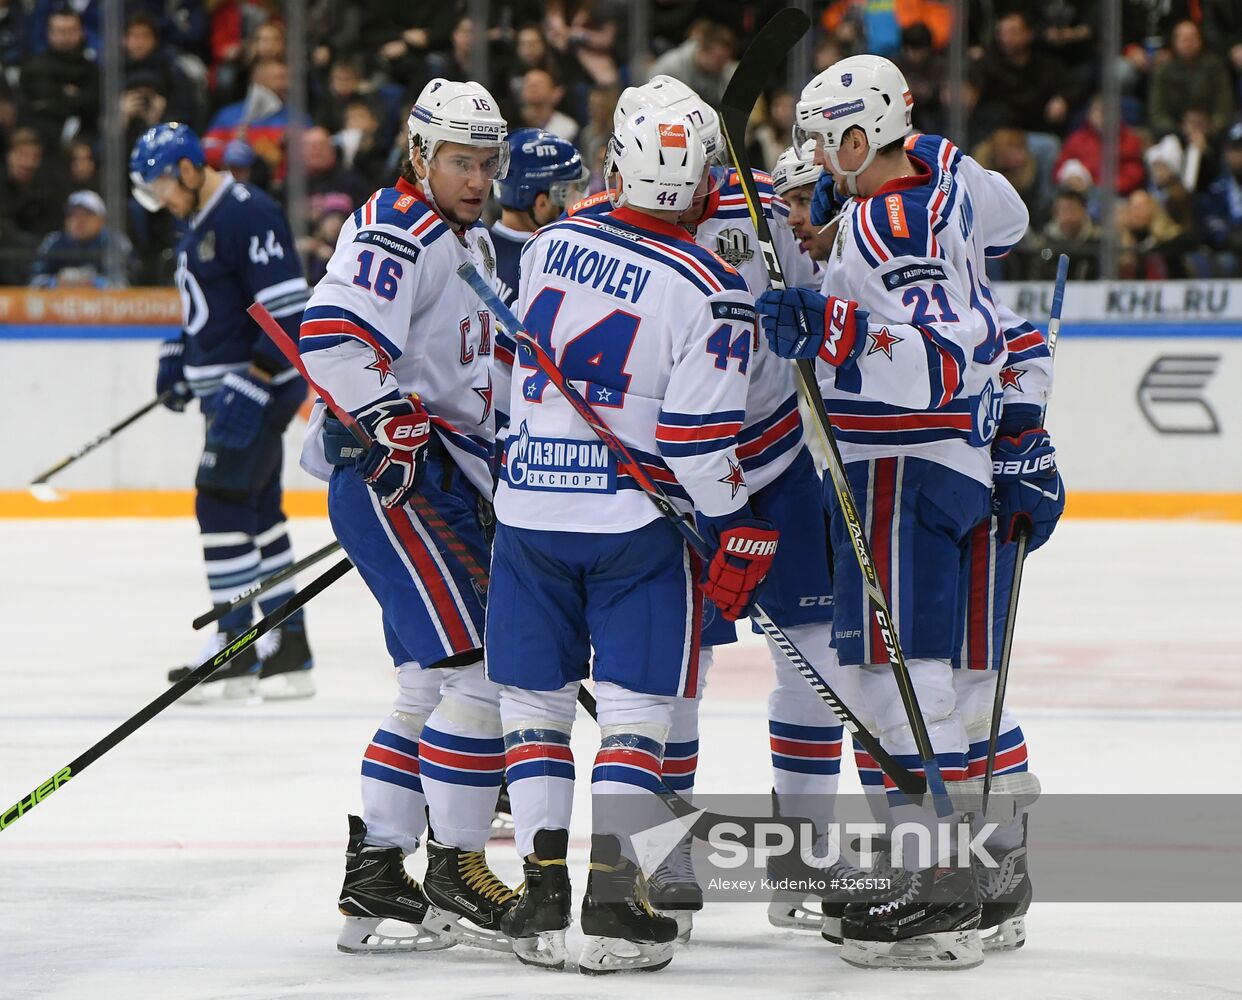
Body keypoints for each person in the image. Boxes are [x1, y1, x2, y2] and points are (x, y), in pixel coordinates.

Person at [759, 54, 1062, 970]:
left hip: (901, 463)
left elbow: (939, 355)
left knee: (907, 681)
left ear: (858, 140)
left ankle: (938, 888)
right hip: (958, 466)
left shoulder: (890, 218)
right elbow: (1007, 255)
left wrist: (835, 327)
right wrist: (1024, 425)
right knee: (962, 686)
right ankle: (990, 873)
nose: (813, 180)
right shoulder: (943, 196)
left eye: (822, 150)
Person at [564, 75, 857, 944]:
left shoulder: (766, 201)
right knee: (669, 678)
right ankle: (664, 858)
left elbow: (820, 303)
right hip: (666, 484)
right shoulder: (597, 219)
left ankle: (802, 857)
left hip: (769, 463)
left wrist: (812, 243)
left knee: (816, 667)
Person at [489, 108, 773, 975]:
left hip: (530, 512)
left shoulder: (546, 244)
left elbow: (505, 379)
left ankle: (541, 897)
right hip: (633, 527)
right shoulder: (709, 285)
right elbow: (694, 440)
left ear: (617, 161)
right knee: (634, 716)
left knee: (535, 710)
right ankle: (613, 900)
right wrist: (736, 526)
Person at [296, 78, 516, 955]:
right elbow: (333, 335)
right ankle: (457, 869)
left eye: (487, 163)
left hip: (436, 479)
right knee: (477, 670)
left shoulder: (467, 238)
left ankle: (378, 873)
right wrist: (388, 414)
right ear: (420, 153)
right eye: (461, 160)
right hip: (395, 479)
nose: (477, 177)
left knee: (431, 679)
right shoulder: (401, 227)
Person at [128, 122, 314, 702]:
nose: (160, 199)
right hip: (230, 391)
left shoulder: (245, 211)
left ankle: (235, 642)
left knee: (219, 500)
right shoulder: (199, 219)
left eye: (162, 185)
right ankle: (288, 647)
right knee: (257, 512)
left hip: (254, 392)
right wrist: (181, 356)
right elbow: (214, 310)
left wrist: (255, 380)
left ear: (187, 168)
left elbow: (288, 305)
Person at [29, 189, 133, 288]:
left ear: (102, 220)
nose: (79, 221)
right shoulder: (54, 241)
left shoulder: (115, 242)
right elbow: (35, 281)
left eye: (87, 215)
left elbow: (123, 284)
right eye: (73, 215)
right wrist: (55, 283)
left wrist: (95, 283)